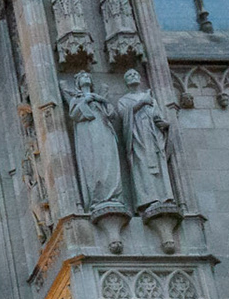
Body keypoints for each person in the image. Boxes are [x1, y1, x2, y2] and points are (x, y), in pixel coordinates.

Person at [117, 68, 176, 214]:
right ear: (126, 81)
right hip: (137, 137)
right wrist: (142, 103)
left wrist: (165, 125)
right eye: (129, 75)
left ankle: (165, 197)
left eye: (135, 74)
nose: (133, 76)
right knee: (142, 164)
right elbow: (124, 116)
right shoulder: (124, 100)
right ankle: (148, 199)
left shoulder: (151, 98)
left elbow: (157, 116)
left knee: (158, 162)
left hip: (152, 135)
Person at [65, 72, 125, 214]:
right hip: (87, 133)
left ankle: (113, 196)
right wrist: (85, 101)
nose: (86, 77)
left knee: (108, 160)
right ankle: (98, 198)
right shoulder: (76, 98)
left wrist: (102, 100)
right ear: (78, 83)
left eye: (88, 76)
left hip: (104, 131)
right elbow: (74, 115)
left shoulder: (99, 98)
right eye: (82, 77)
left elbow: (112, 115)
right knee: (93, 163)